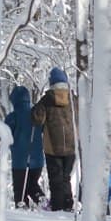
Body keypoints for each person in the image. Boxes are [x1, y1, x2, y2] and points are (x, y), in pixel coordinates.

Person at [32, 66, 77, 212]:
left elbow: (38, 119)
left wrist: (36, 108)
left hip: (52, 147)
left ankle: (58, 207)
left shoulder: (47, 100)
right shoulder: (73, 99)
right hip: (71, 147)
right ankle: (68, 204)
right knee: (65, 178)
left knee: (55, 178)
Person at [3, 85, 45, 208]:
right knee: (32, 185)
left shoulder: (13, 116)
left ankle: (22, 211)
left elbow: (4, 133)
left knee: (20, 192)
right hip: (38, 161)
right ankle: (42, 200)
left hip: (20, 162)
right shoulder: (36, 114)